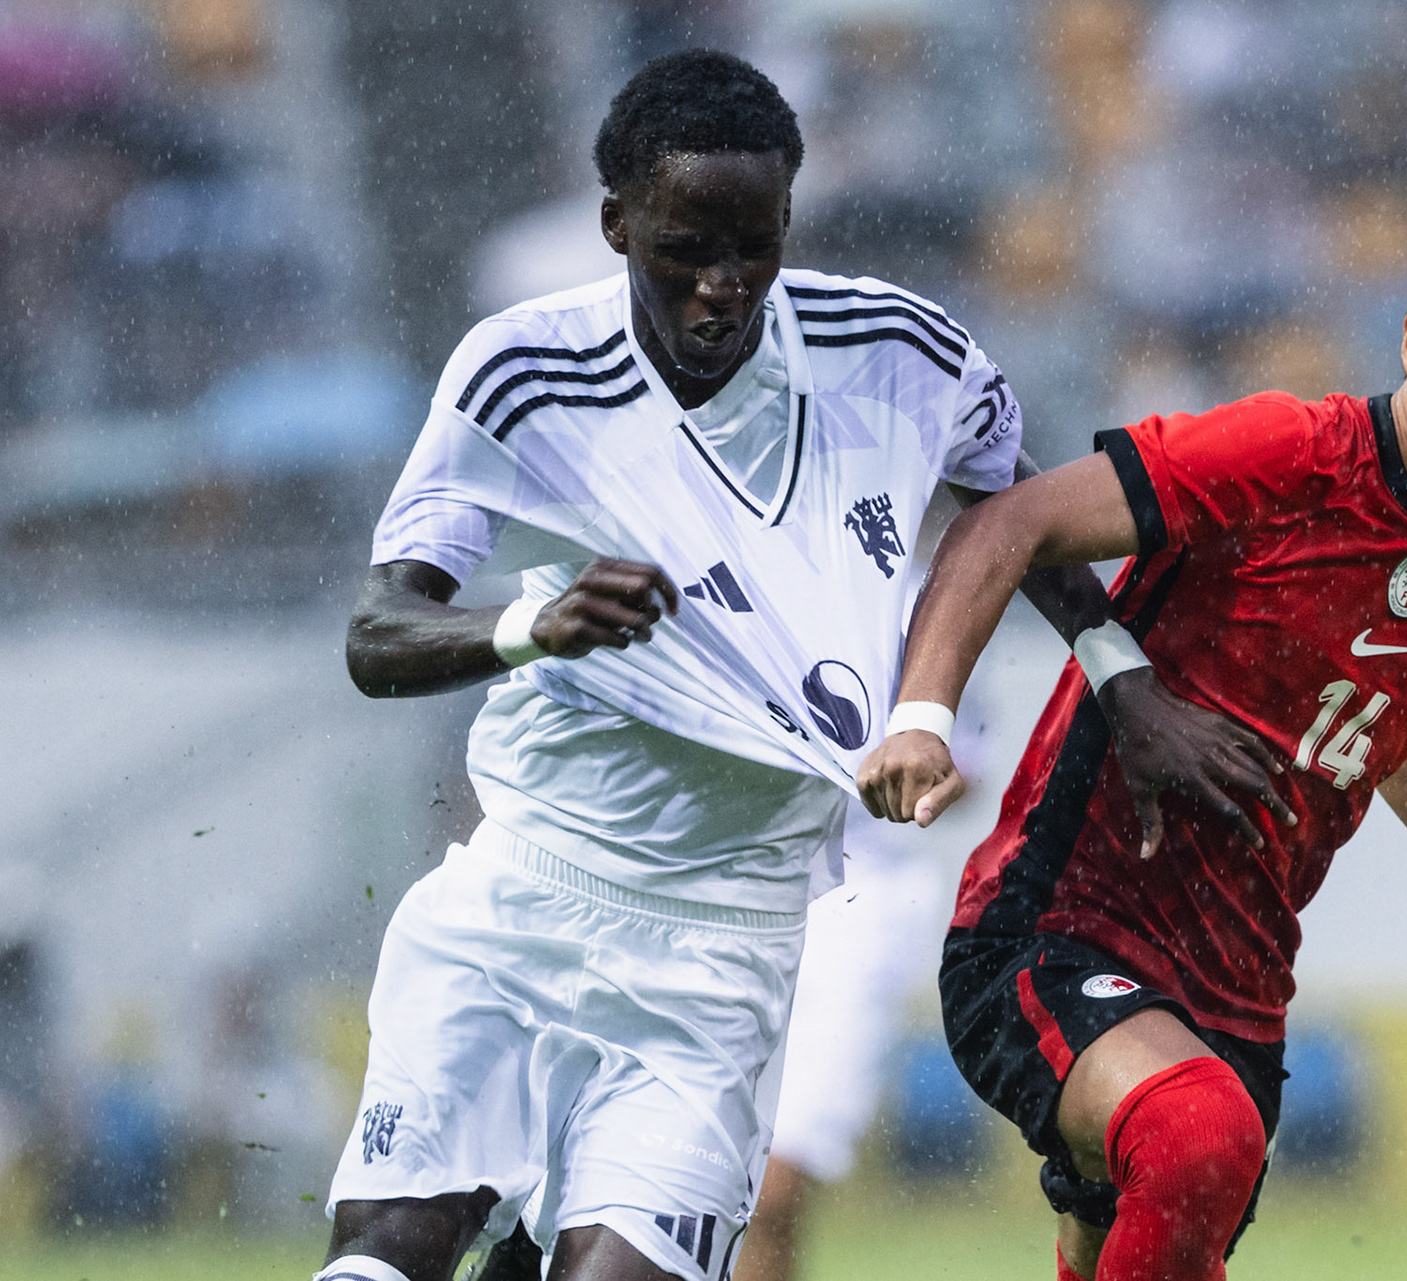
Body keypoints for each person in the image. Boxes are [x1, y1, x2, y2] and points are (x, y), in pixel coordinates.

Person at [317, 49, 1248, 1281]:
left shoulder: (901, 353)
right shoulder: (523, 369)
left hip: (726, 945)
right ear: (616, 225)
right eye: (684, 249)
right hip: (525, 896)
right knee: (389, 1258)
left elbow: (1014, 516)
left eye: (751, 247)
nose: (720, 286)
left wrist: (1121, 674)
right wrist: (529, 629)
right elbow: (378, 635)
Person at [857, 182, 1407, 1281]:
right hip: (1057, 927)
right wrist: (921, 720)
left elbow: (1392, 719)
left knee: (1152, 1222)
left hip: (1239, 982)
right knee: (1197, 1139)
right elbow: (1012, 520)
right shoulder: (1286, 454)